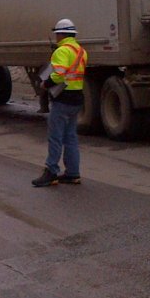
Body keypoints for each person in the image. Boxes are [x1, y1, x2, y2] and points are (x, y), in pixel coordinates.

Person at [33, 18, 87, 187]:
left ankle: (51, 172)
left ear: (61, 34)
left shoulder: (62, 51)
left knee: (55, 137)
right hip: (77, 98)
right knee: (70, 137)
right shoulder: (81, 51)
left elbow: (59, 74)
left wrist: (45, 83)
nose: (56, 37)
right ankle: (72, 173)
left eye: (56, 34)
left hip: (63, 99)